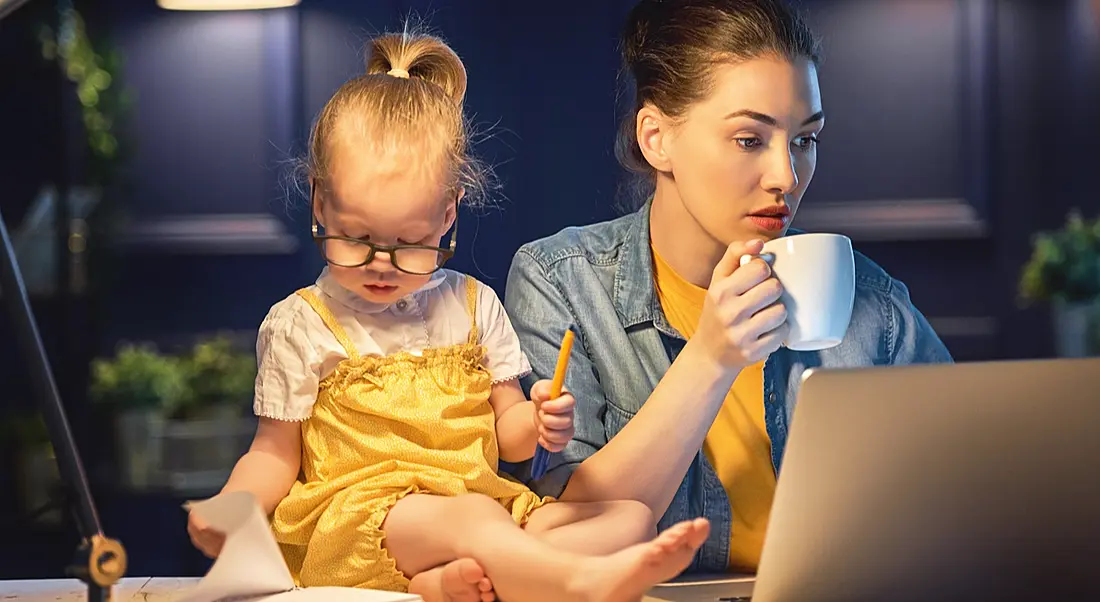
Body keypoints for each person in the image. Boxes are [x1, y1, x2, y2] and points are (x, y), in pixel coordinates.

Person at [185, 28, 709, 602]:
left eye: (410, 242)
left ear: (448, 214)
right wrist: (229, 509)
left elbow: (509, 441)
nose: (381, 265)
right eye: (356, 238)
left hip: (479, 507)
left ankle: (447, 584)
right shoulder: (302, 323)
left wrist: (537, 424)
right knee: (471, 522)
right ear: (318, 201)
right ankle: (570, 582)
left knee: (629, 518)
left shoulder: (473, 306)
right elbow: (272, 454)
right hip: (365, 524)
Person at [504, 0, 953, 575]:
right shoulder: (562, 281)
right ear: (656, 137)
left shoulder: (872, 304)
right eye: (749, 139)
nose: (786, 177)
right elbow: (565, 539)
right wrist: (711, 359)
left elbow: (967, 489)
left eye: (804, 140)